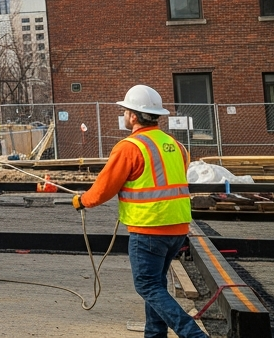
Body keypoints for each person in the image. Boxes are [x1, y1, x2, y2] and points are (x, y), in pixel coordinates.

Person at [73, 85, 207, 338]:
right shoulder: (176, 145)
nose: (123, 114)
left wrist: (81, 201)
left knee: (147, 286)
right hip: (177, 228)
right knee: (156, 285)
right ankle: (155, 335)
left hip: (148, 229)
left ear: (134, 116)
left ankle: (193, 334)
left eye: (125, 110)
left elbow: (103, 189)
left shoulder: (129, 147)